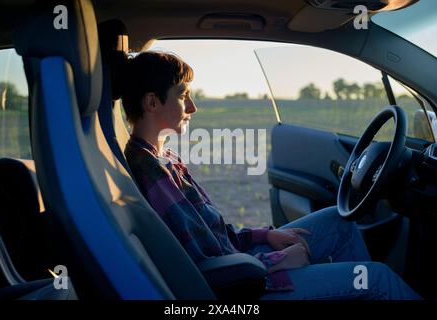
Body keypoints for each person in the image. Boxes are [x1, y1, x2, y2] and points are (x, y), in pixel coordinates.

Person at [121, 51, 421, 300]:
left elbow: (214, 235)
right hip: (247, 285)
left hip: (242, 261)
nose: (193, 107)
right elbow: (202, 264)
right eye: (183, 96)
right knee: (376, 278)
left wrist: (266, 235)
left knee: (339, 221)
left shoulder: (163, 158)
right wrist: (277, 262)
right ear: (152, 102)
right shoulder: (152, 171)